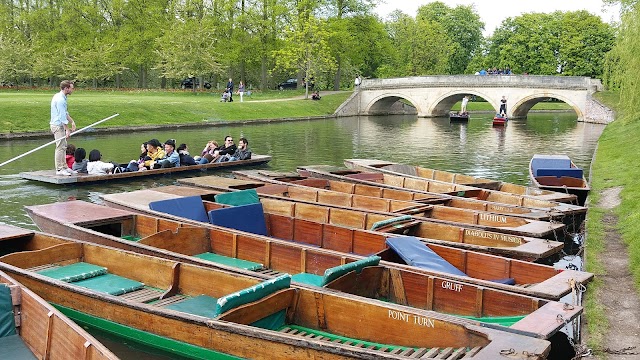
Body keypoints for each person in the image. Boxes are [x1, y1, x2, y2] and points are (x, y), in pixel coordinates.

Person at [50, 80, 77, 176]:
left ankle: (65, 167)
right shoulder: (60, 99)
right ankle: (59, 169)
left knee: (64, 147)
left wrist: (72, 121)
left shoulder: (62, 97)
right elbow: (61, 116)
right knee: (60, 147)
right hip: (57, 125)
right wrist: (67, 129)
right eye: (71, 88)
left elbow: (65, 113)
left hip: (60, 124)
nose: (73, 90)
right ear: (66, 88)